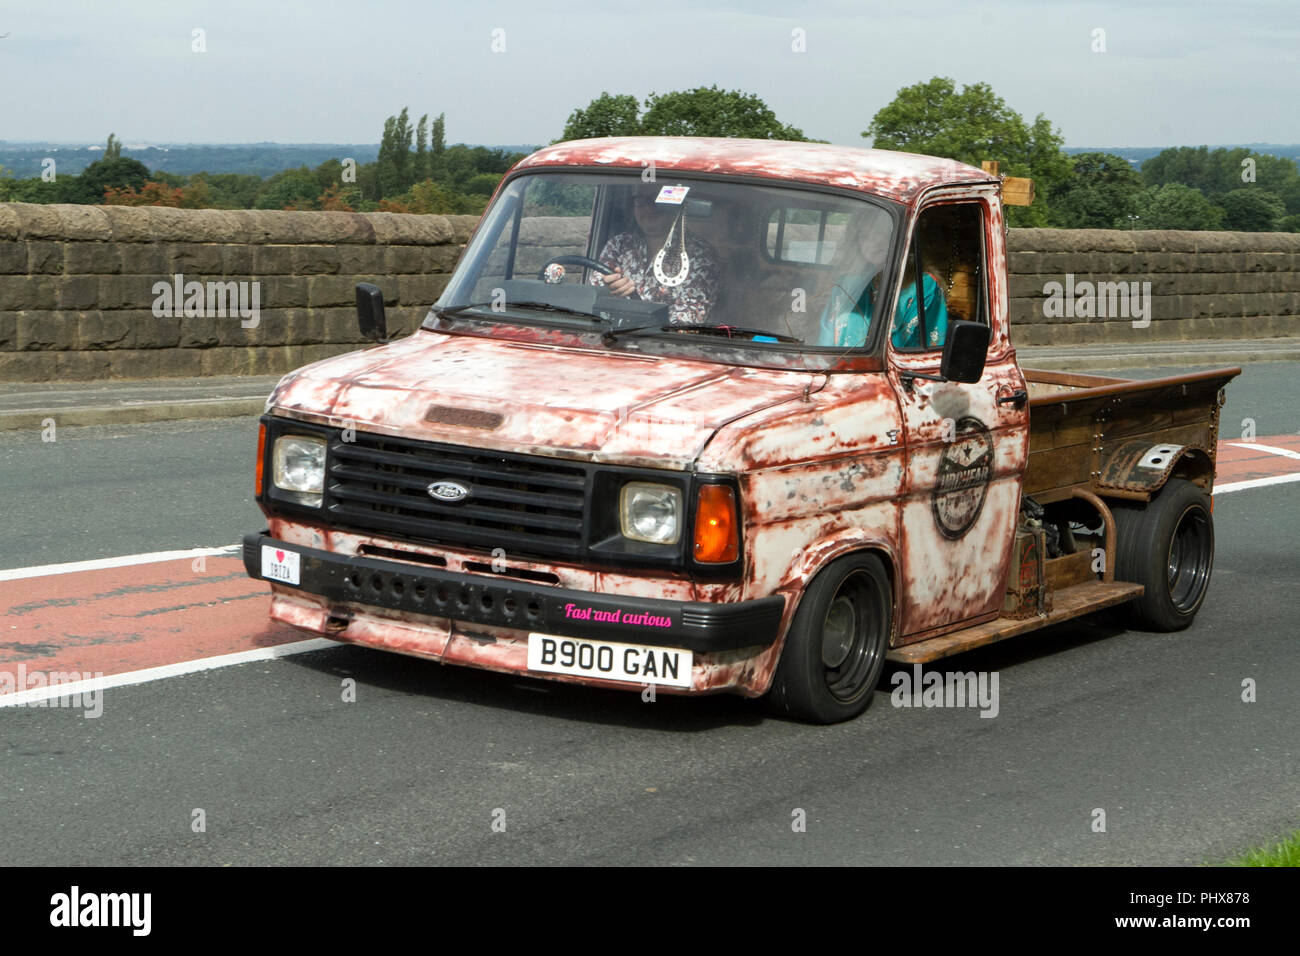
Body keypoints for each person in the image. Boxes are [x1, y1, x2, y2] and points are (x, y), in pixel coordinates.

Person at [815, 213, 948, 350]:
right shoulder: (847, 282)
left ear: (900, 236)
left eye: (880, 233)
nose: (872, 244)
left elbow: (927, 348)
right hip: (837, 368)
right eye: (864, 235)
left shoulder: (923, 285)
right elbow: (826, 336)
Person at [589, 187, 720, 324]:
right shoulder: (619, 244)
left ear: (676, 206)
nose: (648, 209)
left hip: (663, 343)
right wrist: (609, 292)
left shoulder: (701, 256)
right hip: (610, 337)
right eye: (640, 201)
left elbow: (685, 325)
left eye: (657, 200)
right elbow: (591, 298)